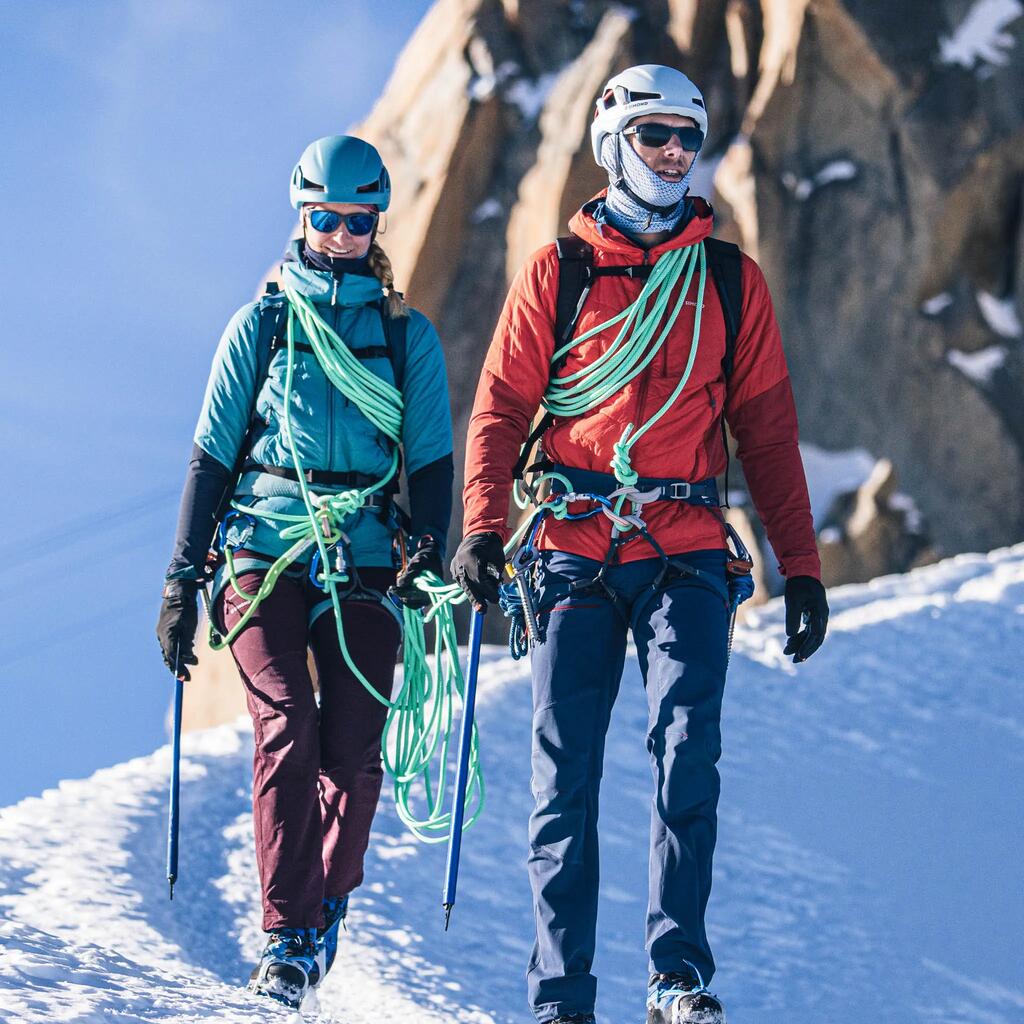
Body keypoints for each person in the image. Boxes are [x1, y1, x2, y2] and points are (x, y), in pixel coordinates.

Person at [451, 65, 828, 1024]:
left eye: (686, 140)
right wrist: (484, 530)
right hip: (575, 546)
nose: (673, 154)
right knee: (563, 772)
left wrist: (805, 567)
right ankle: (561, 997)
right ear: (613, 139)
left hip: (690, 546)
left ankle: (677, 978)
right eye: (655, 135)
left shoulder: (729, 281)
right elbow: (499, 411)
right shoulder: (557, 272)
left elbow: (769, 434)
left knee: (688, 753)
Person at [156, 135, 453, 1009]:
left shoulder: (407, 339)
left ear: (376, 224)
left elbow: (430, 460)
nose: (343, 234)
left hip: (362, 556)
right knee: (286, 718)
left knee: (356, 751)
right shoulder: (264, 324)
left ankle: (325, 907)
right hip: (262, 550)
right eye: (327, 218)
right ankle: (288, 935)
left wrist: (427, 548)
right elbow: (211, 457)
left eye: (360, 221)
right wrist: (181, 580)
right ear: (302, 214)